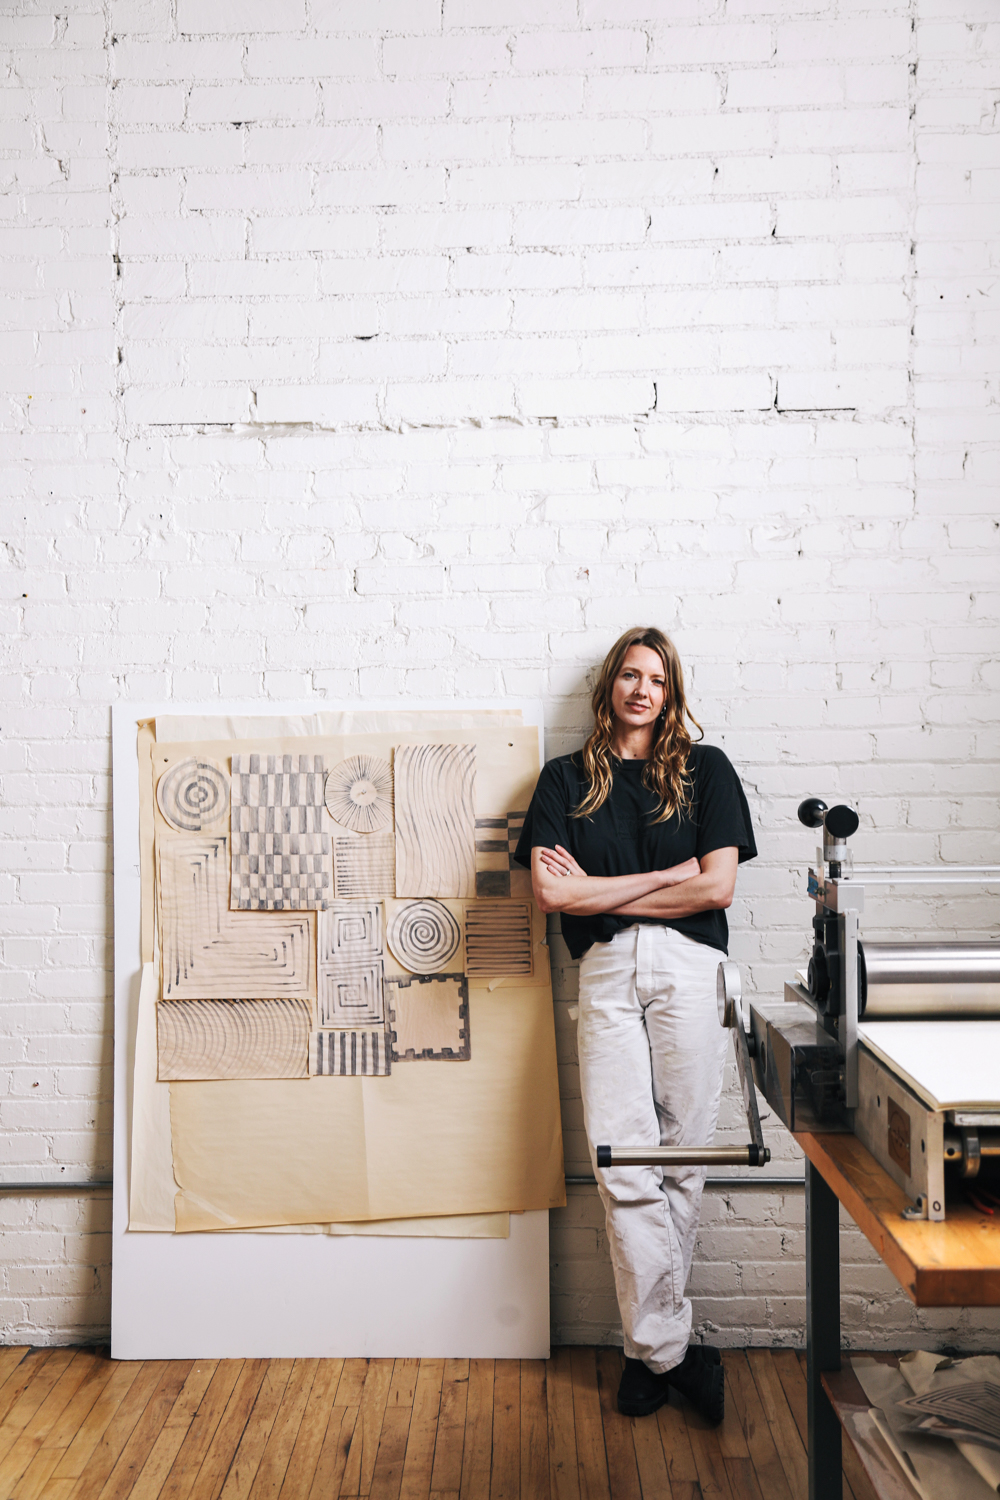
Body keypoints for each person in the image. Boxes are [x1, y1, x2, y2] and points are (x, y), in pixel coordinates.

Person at [514, 626, 757, 1422]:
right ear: (609, 687)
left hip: (691, 968)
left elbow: (716, 888)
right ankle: (674, 1352)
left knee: (682, 1155)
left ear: (671, 691)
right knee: (624, 1158)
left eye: (656, 678)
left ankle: (650, 1355)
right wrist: (666, 875)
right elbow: (553, 898)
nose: (641, 689)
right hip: (609, 969)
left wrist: (605, 888)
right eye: (629, 674)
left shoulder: (705, 769)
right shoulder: (562, 780)